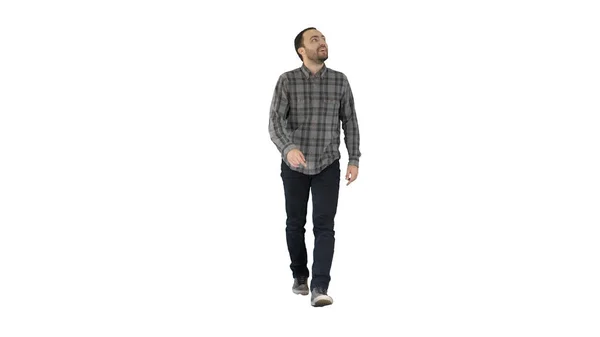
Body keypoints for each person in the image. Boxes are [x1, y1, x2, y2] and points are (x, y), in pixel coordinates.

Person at [268, 27, 361, 307]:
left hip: (327, 163)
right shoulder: (287, 81)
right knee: (295, 224)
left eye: (323, 38)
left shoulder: (339, 81)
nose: (322, 42)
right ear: (301, 50)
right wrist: (289, 148)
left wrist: (354, 158)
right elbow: (274, 123)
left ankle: (320, 286)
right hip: (295, 166)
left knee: (324, 226)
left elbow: (350, 122)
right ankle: (299, 275)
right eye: (314, 39)